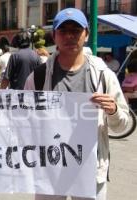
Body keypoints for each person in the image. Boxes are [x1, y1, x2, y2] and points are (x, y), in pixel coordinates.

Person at [24, 8, 129, 200]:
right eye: (63, 30)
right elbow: (23, 122)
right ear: (54, 35)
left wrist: (113, 110)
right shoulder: (38, 77)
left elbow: (123, 124)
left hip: (91, 172)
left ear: (86, 34)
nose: (70, 36)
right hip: (50, 172)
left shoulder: (103, 75)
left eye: (76, 30)